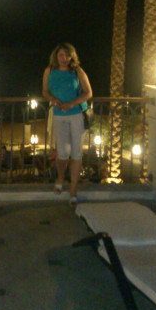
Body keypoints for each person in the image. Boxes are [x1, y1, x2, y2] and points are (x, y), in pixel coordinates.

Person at [42, 42, 92, 205]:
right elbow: (45, 91)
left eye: (67, 55)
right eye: (61, 55)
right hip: (59, 115)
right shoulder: (49, 71)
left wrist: (71, 103)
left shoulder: (77, 71)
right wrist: (53, 99)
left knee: (76, 153)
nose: (64, 58)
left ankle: (73, 190)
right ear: (56, 56)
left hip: (76, 115)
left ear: (72, 56)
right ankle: (60, 178)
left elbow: (88, 93)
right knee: (62, 153)